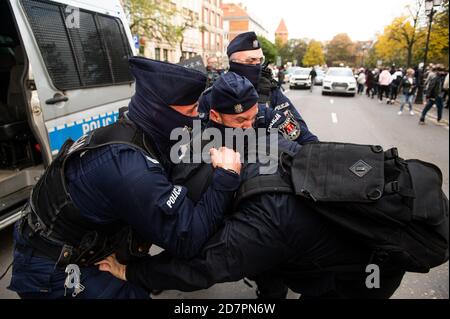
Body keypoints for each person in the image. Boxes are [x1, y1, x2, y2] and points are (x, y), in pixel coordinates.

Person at [96, 77, 412, 298]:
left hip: (368, 270)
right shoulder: (261, 145)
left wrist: (132, 273)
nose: (247, 127)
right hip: (311, 242)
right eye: (238, 123)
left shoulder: (265, 212)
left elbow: (210, 264)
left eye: (251, 118)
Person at [7, 57, 242, 299]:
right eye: (191, 111)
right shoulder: (130, 167)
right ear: (160, 111)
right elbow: (187, 237)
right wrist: (227, 176)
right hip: (55, 268)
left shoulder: (139, 131)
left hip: (80, 245)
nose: (196, 118)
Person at [198, 32, 318, 146]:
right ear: (233, 62)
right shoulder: (212, 96)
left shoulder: (269, 90)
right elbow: (198, 142)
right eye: (251, 60)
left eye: (260, 60)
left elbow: (301, 135)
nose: (257, 65)